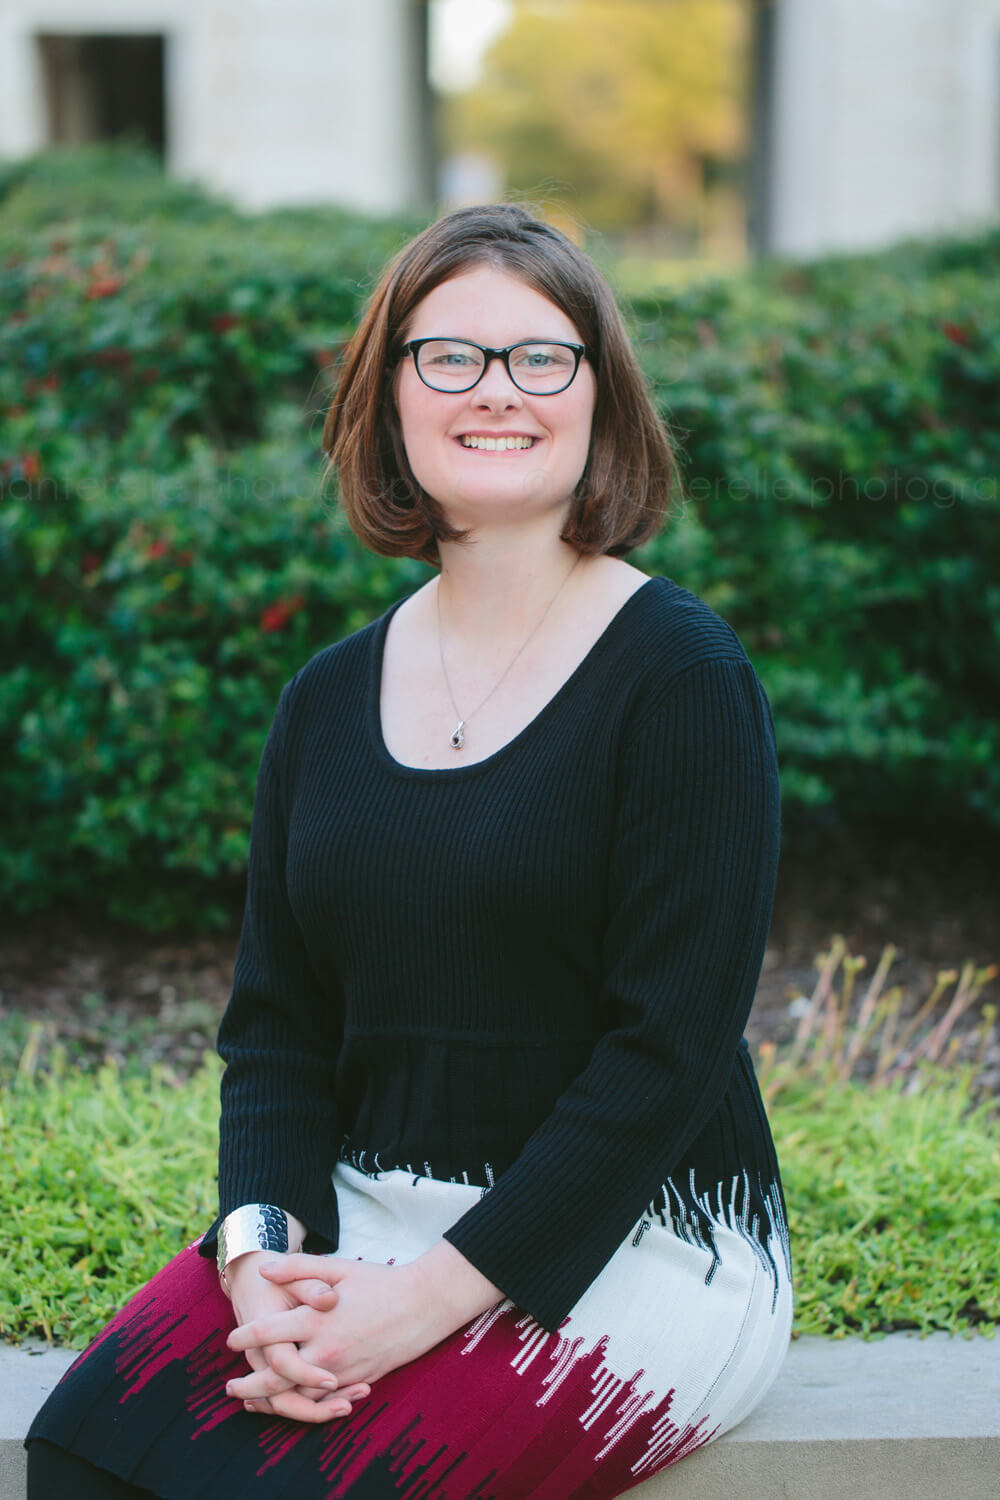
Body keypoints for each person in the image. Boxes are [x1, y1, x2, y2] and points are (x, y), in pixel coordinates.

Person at [26, 202, 792, 1499]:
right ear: (390, 401)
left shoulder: (681, 679)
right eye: (450, 357)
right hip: (367, 1210)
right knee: (82, 1453)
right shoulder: (326, 702)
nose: (497, 391)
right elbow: (275, 1030)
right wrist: (261, 1262)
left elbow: (662, 1059)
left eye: (542, 358)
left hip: (641, 1240)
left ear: (601, 399)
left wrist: (418, 1306)